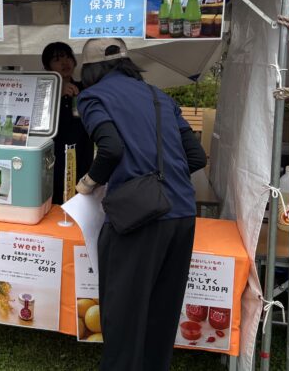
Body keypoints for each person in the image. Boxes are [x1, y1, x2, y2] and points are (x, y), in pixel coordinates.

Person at [74, 38, 206, 371]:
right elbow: (196, 156)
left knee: (122, 314)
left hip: (138, 219)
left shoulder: (93, 97)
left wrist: (88, 183)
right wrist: (162, 179)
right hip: (182, 213)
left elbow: (111, 148)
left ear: (91, 70)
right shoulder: (160, 96)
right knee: (162, 311)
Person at [41, 42, 94, 204]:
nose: (64, 63)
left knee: (81, 201)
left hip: (82, 155)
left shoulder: (86, 88)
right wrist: (57, 93)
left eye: (67, 57)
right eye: (57, 60)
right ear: (48, 67)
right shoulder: (43, 92)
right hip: (54, 158)